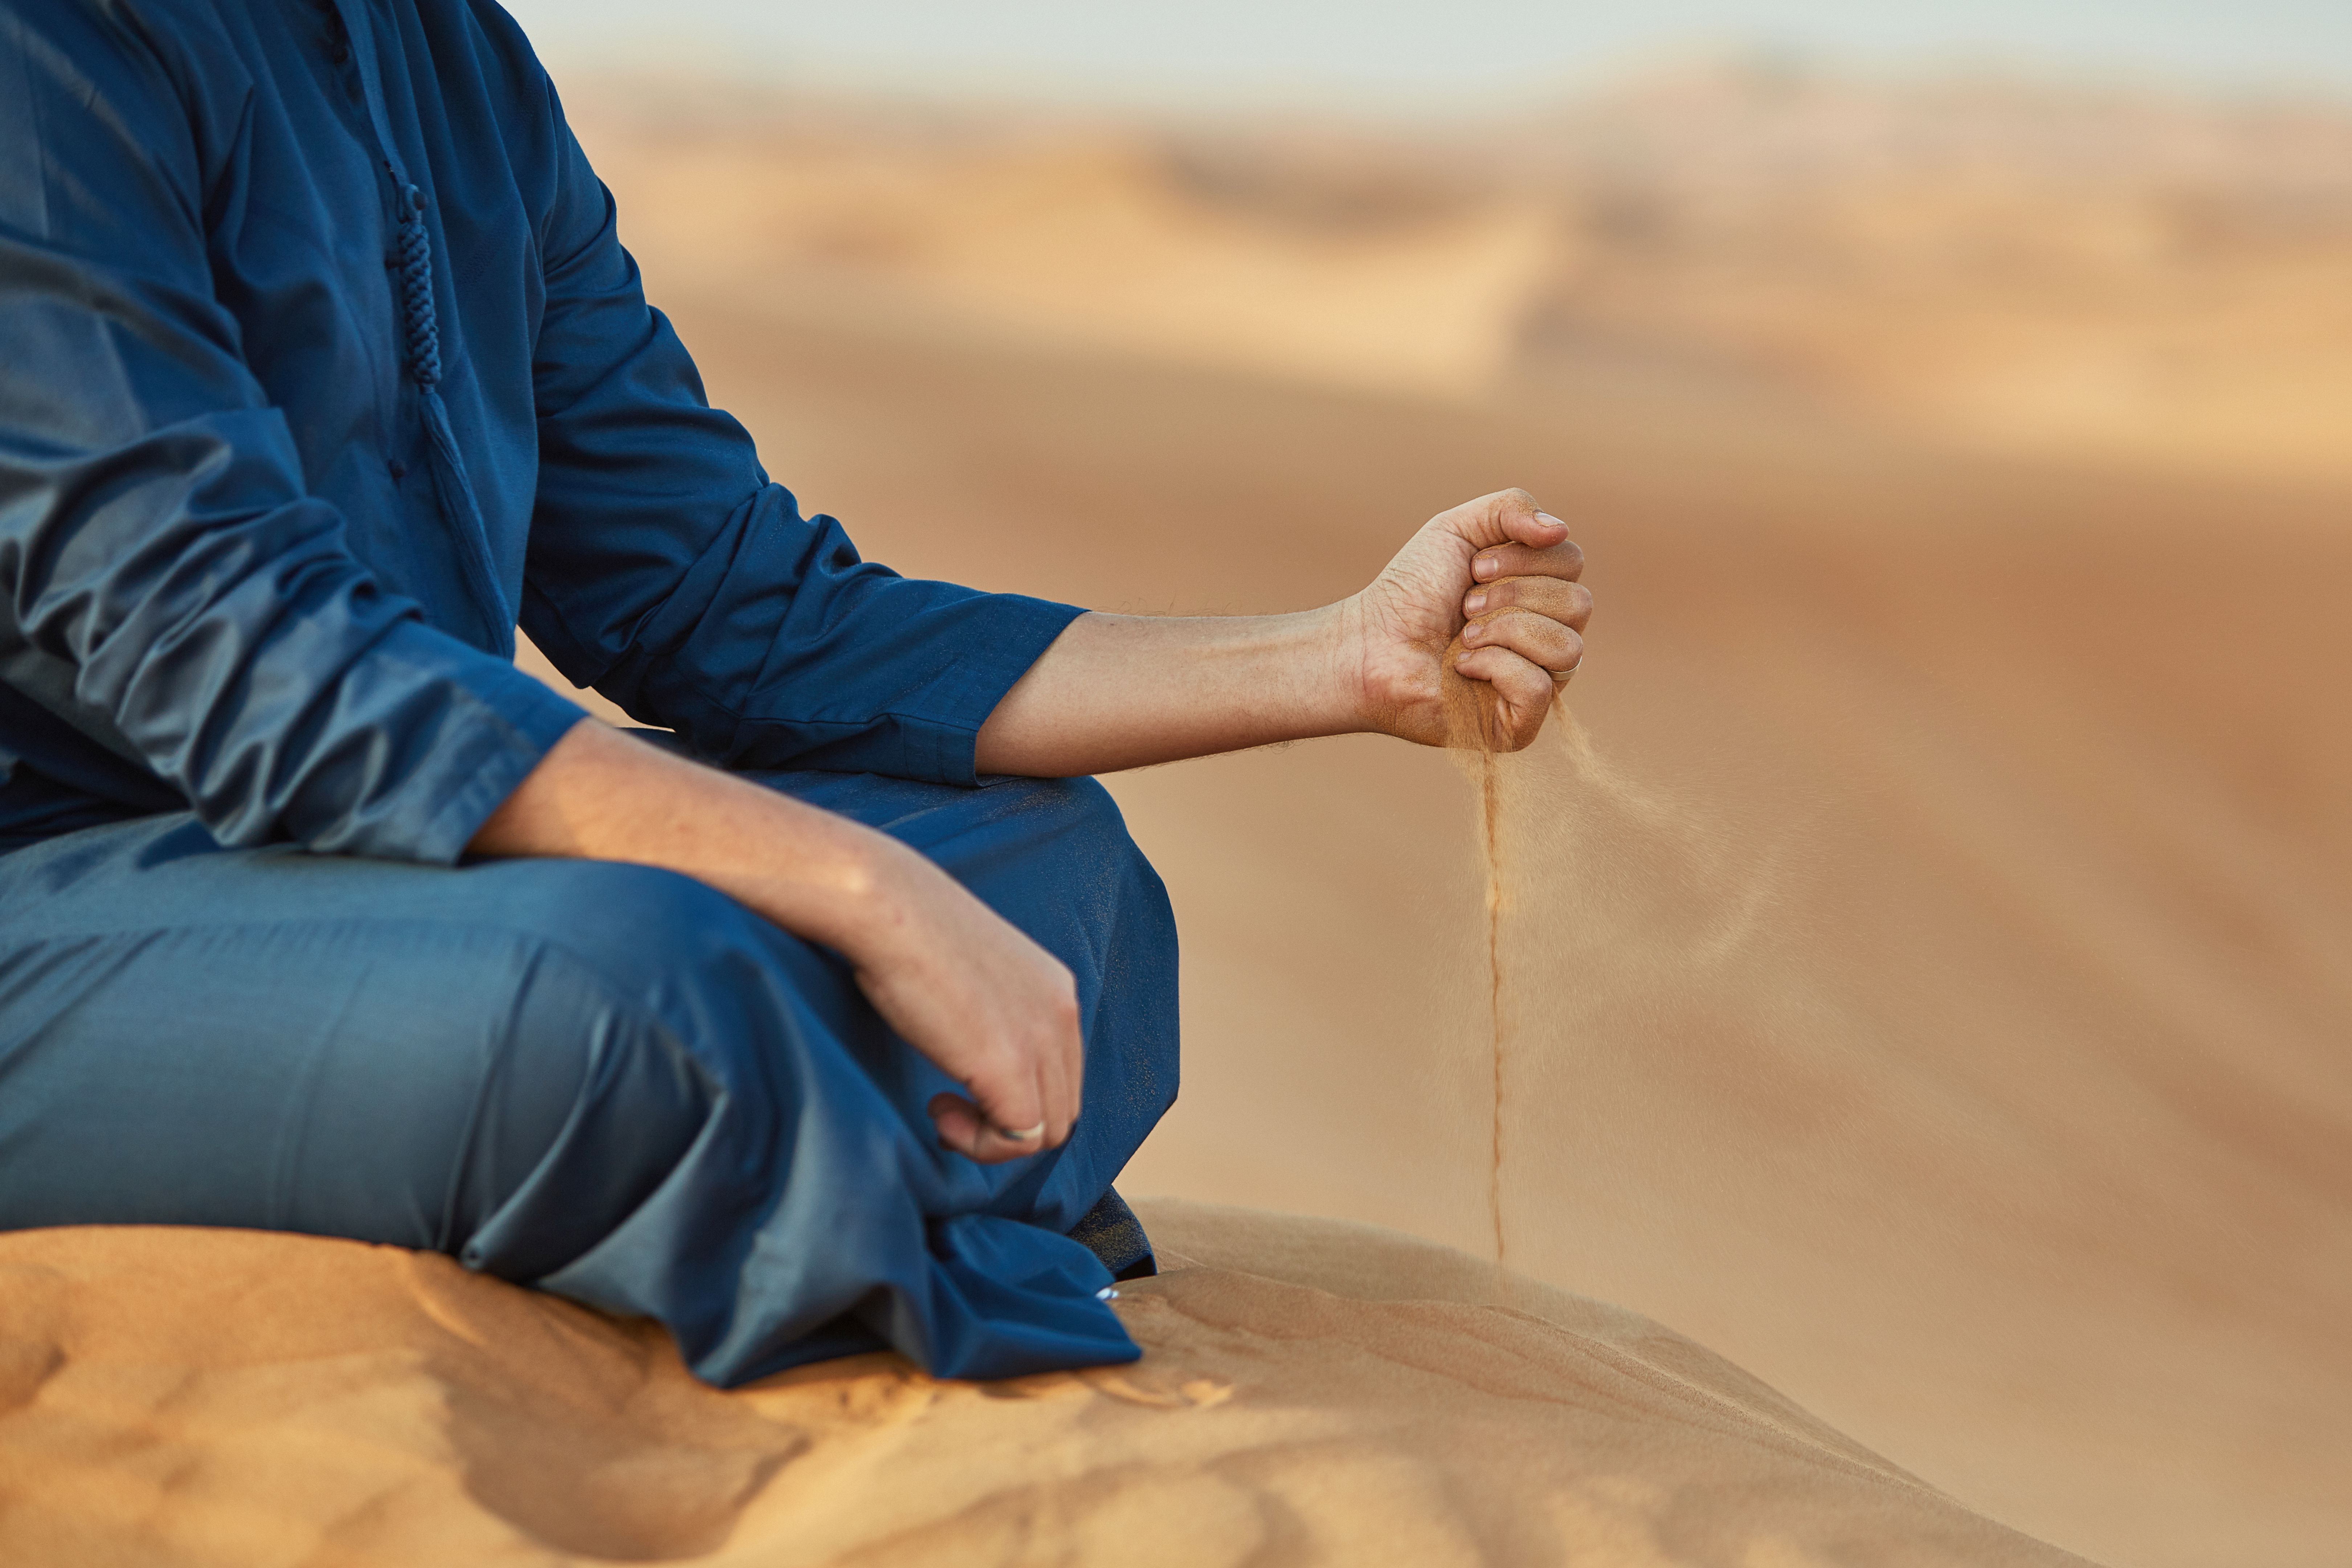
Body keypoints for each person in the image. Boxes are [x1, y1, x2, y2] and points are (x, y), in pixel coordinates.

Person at [0, 0, 1591, 1385]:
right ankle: (843, 1181)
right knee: (653, 985)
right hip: (59, 892)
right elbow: (220, 643)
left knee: (1055, 873)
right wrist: (850, 887)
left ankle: (783, 1180)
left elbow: (725, 599)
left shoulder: (459, 61)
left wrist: (1336, 655)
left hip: (389, 871)